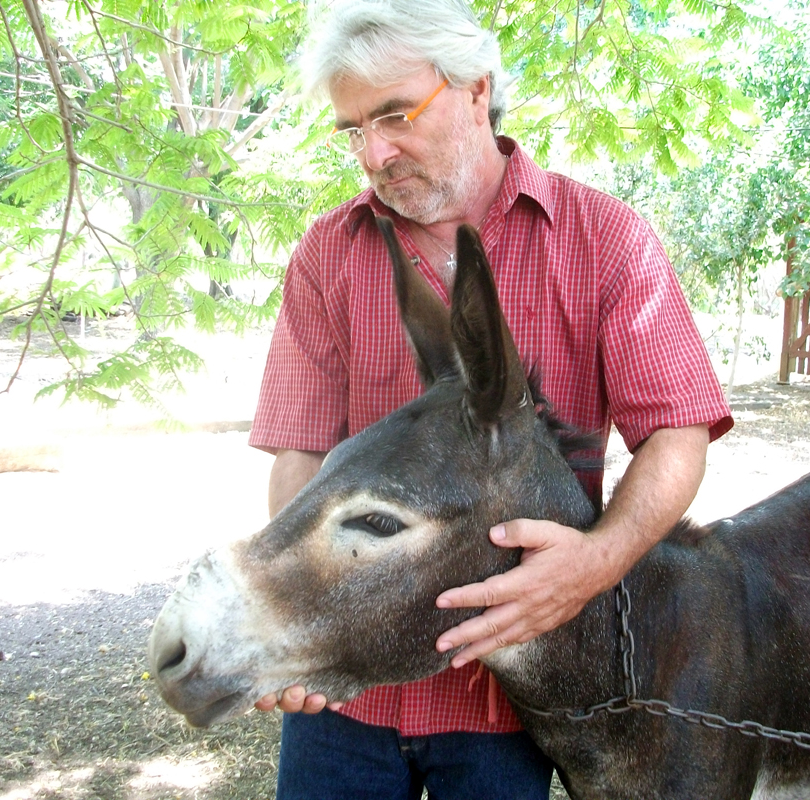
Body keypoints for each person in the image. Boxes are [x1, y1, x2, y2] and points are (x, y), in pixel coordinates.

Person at [247, 0, 733, 796]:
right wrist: (302, 612)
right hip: (347, 704)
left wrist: (594, 565)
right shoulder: (327, 254)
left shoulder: (604, 240)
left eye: (394, 115)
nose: (373, 152)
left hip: (511, 706)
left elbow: (678, 433)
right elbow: (300, 449)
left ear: (476, 87)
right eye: (352, 130)